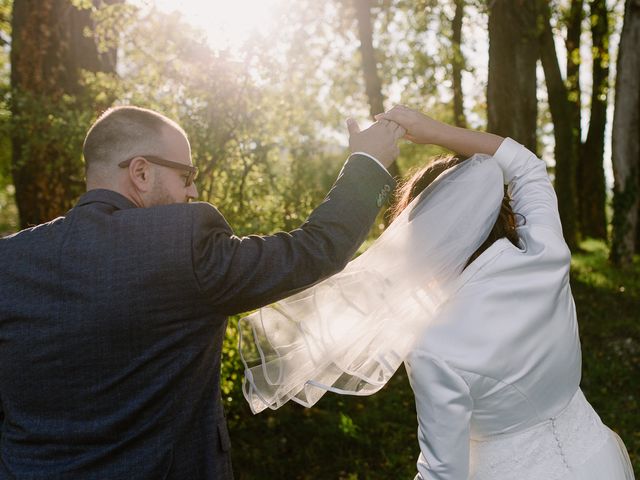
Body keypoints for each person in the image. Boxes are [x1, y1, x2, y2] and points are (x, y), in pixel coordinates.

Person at [0, 105, 405, 479]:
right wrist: (366, 163)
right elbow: (314, 250)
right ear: (141, 173)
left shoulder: (9, 261)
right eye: (185, 176)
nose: (191, 192)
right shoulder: (181, 244)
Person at [239, 105, 635, 479]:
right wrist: (433, 132)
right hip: (596, 457)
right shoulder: (546, 255)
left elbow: (443, 472)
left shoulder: (433, 346)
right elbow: (526, 166)